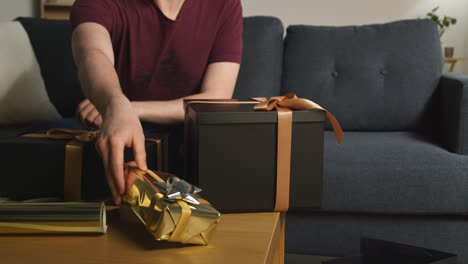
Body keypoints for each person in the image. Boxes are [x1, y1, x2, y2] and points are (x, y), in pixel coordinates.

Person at [70, 0, 243, 204]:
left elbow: (216, 98)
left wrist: (125, 107)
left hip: (184, 135)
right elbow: (92, 53)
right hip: (116, 128)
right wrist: (113, 103)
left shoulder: (224, 4)